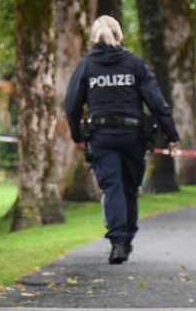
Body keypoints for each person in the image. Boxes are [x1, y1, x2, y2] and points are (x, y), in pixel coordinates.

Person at [64, 15, 180, 264]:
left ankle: (117, 241)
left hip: (102, 137)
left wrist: (77, 135)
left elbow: (71, 104)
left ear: (94, 38)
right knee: (129, 187)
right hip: (133, 137)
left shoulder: (86, 66)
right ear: (119, 36)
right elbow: (157, 103)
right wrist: (172, 136)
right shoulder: (134, 64)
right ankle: (126, 238)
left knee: (112, 187)